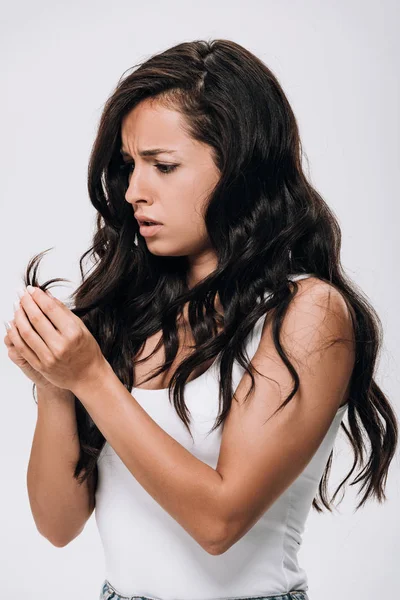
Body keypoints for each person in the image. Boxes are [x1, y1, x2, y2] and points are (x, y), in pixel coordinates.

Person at [5, 39, 398, 600]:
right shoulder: (130, 311)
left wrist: (90, 377)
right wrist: (56, 386)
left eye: (163, 166)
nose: (135, 191)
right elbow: (57, 526)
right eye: (129, 166)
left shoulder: (307, 313)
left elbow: (220, 522)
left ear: (240, 168)